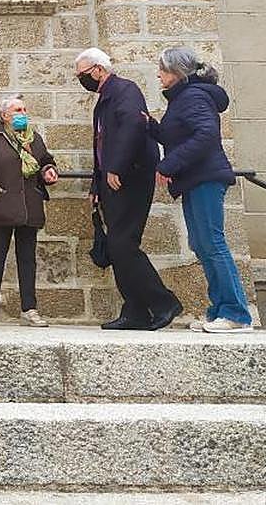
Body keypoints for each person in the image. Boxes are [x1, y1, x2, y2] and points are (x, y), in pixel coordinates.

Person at [76, 47, 182, 330]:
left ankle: (164, 302)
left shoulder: (125, 90)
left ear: (99, 69)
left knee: (123, 244)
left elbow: (134, 126)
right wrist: (97, 184)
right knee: (118, 245)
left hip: (130, 177)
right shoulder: (105, 99)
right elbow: (101, 146)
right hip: (113, 180)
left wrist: (117, 167)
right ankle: (135, 311)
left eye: (83, 74)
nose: (81, 80)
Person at [148, 47, 253, 333]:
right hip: (194, 179)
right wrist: (149, 125)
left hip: (205, 178)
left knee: (213, 244)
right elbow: (174, 134)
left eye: (163, 69)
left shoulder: (193, 96)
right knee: (202, 244)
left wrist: (168, 165)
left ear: (177, 72)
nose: (158, 74)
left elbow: (206, 135)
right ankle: (220, 310)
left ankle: (235, 314)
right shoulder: (184, 98)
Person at [0, 95, 60, 327]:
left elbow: (45, 160)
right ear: (4, 115)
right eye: (18, 110)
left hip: (29, 206)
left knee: (27, 260)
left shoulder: (34, 138)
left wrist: (49, 170)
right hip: (1, 207)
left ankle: (29, 309)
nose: (23, 113)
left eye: (24, 109)